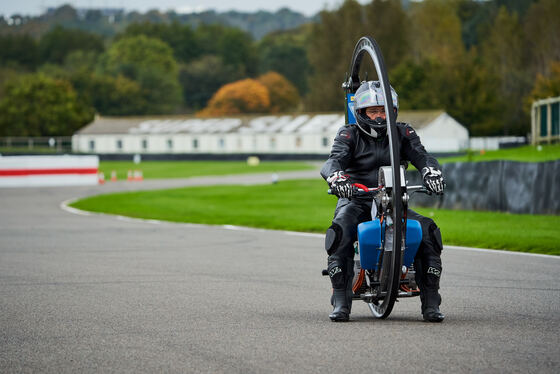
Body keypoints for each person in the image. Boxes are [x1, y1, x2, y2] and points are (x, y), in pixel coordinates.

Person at [321, 80, 445, 322]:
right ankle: (341, 299)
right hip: (356, 199)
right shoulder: (349, 134)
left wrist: (431, 172)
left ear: (393, 111)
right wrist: (338, 179)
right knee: (340, 231)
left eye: (383, 110)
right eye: (373, 111)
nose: (379, 117)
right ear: (361, 113)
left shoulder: (403, 132)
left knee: (429, 231)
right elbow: (333, 161)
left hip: (394, 200)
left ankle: (431, 301)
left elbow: (422, 156)